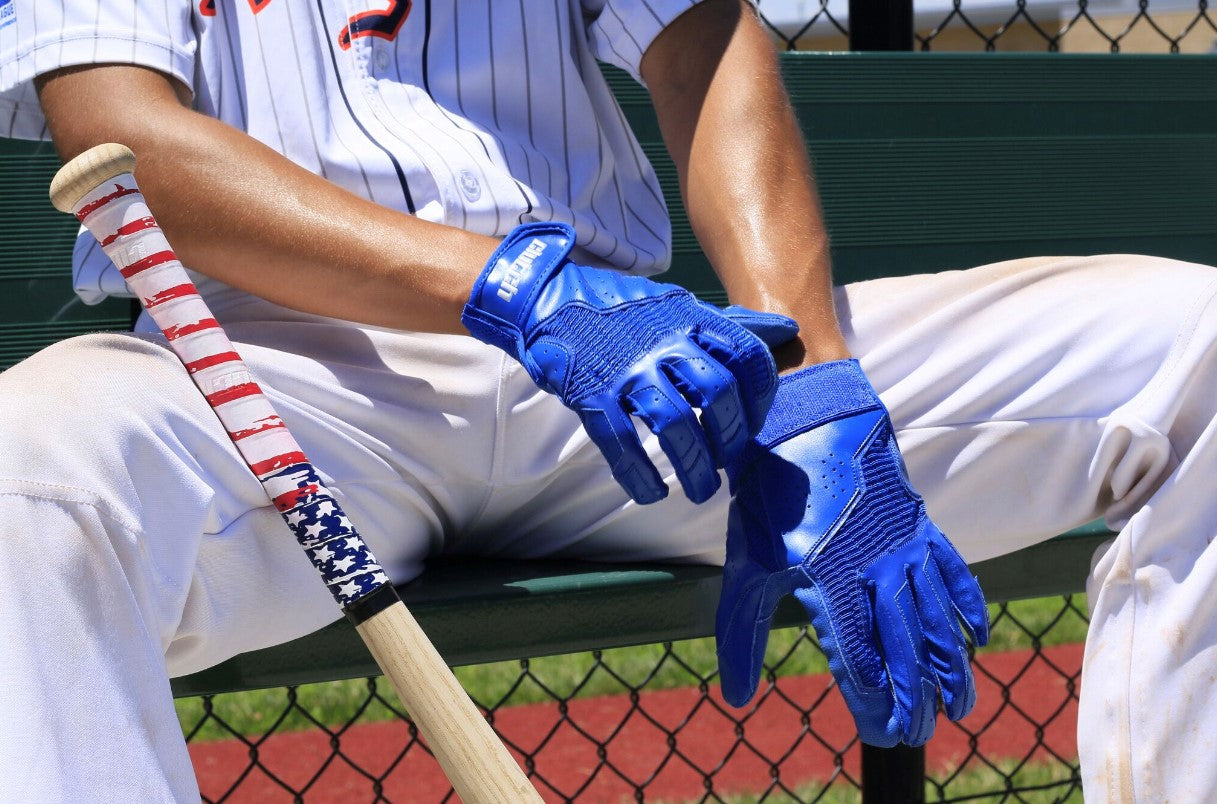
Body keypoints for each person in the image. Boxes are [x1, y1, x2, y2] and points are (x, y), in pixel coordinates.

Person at [0, 0, 1214, 801]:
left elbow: (702, 46)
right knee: (28, 481)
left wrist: (818, 384)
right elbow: (122, 136)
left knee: (1188, 349)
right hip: (276, 384)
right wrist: (512, 289)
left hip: (630, 382)